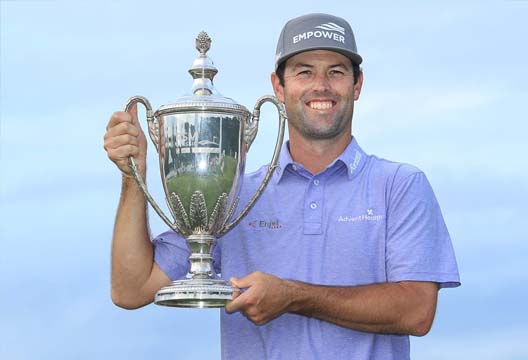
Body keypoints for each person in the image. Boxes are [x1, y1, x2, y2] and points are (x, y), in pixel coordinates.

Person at [103, 13, 460, 360]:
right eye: (304, 72)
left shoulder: (399, 186)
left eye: (336, 72)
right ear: (278, 86)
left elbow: (416, 310)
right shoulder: (236, 194)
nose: (321, 85)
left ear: (357, 85)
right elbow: (131, 289)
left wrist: (292, 296)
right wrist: (133, 175)